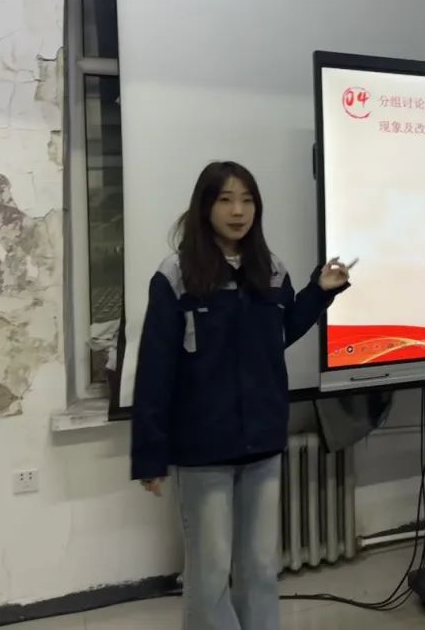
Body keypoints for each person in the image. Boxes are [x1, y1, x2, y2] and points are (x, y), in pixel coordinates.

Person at [131, 161, 351, 630]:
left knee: (260, 567)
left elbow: (281, 333)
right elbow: (155, 368)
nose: (238, 211)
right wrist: (150, 453)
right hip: (203, 448)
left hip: (263, 442)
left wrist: (319, 292)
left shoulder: (270, 270)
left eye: (247, 200)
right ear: (205, 207)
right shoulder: (176, 276)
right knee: (210, 572)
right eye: (226, 200)